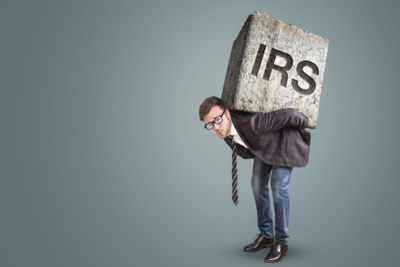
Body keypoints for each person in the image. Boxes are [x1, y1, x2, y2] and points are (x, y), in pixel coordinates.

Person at [199, 96, 310, 263]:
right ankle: (267, 236)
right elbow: (245, 148)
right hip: (264, 145)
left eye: (217, 120)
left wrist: (305, 122)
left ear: (227, 113)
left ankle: (282, 242)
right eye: (210, 124)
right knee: (257, 184)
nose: (215, 127)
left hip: (284, 142)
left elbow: (290, 114)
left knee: (278, 187)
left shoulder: (253, 122)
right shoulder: (224, 132)